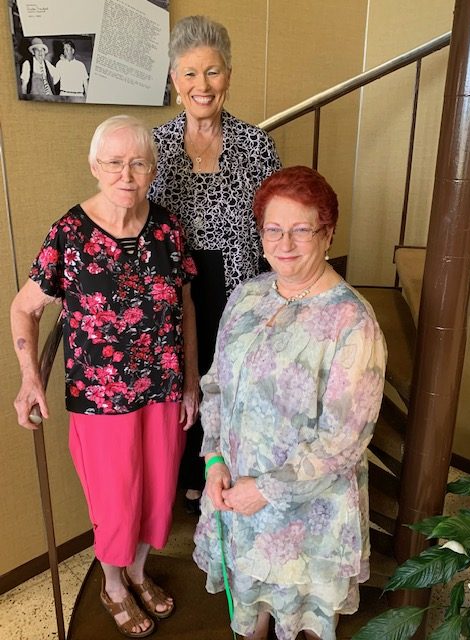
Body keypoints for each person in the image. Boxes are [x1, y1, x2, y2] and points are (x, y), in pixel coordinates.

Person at [11, 115, 198, 638]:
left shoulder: (166, 228)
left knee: (159, 492)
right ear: (95, 166)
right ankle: (112, 585)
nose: (126, 173)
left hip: (161, 388)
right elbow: (24, 308)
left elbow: (185, 307)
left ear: (153, 168)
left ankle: (137, 573)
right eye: (114, 162)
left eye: (138, 162)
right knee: (116, 501)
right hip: (100, 398)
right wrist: (30, 379)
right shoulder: (69, 233)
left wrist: (190, 381)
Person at [193, 166, 387, 640]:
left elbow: (342, 442)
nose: (285, 243)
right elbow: (216, 385)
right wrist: (214, 457)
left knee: (301, 622)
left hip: (303, 516)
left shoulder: (352, 323)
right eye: (273, 229)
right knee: (250, 613)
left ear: (327, 234)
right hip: (237, 495)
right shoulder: (246, 296)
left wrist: (266, 491)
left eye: (302, 229)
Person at [149, 15, 281, 515]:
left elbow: (275, 221)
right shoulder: (156, 146)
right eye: (189, 73)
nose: (201, 86)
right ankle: (187, 476)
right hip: (175, 286)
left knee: (232, 380)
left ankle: (231, 473)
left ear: (229, 74)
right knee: (182, 378)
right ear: (174, 80)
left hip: (240, 283)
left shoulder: (255, 144)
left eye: (212, 72)